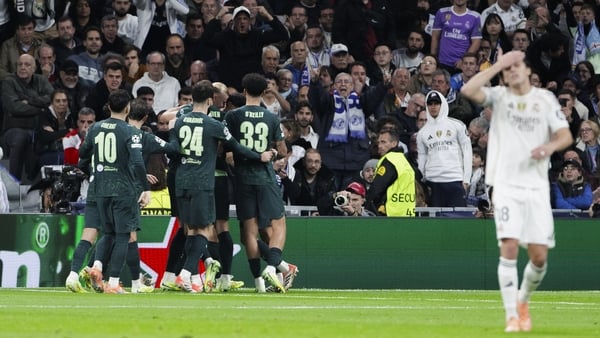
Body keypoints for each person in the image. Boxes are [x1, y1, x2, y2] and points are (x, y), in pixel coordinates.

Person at [460, 50, 573, 332]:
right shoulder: (499, 97)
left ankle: (522, 301)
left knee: (539, 257)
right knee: (508, 246)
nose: (512, 71)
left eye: (516, 66)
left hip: (535, 186)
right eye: (507, 69)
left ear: (526, 70)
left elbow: (565, 135)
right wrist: (498, 63)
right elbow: (468, 89)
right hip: (506, 184)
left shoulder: (544, 100)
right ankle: (511, 315)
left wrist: (548, 147)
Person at [224, 73, 298, 293]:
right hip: (264, 177)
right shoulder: (271, 117)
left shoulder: (233, 116)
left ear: (244, 91)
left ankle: (259, 282)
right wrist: (273, 152)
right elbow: (283, 151)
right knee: (278, 223)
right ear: (265, 92)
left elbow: (226, 151)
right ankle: (275, 265)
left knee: (250, 230)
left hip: (242, 179)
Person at [81, 89, 151, 294]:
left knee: (108, 232)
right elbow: (137, 162)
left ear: (109, 107)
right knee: (123, 236)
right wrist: (145, 188)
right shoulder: (130, 131)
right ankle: (113, 282)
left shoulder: (95, 128)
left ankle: (97, 267)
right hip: (123, 189)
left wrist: (90, 171)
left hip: (100, 189)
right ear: (128, 108)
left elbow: (83, 154)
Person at [2, 54, 54, 181]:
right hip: (13, 129)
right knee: (21, 137)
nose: (23, 67)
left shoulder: (41, 80)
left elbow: (52, 98)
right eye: (20, 64)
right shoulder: (9, 82)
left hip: (37, 129)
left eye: (27, 65)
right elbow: (14, 107)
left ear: (34, 68)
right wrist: (40, 108)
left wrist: (29, 100)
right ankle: (14, 182)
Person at [417, 90, 472, 207]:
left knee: (458, 220)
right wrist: (423, 179)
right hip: (433, 182)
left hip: (455, 179)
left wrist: (466, 179)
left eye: (436, 103)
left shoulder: (457, 125)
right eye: (430, 104)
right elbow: (422, 157)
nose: (433, 107)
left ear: (442, 104)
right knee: (435, 222)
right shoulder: (422, 133)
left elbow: (467, 152)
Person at [366, 129, 416, 217]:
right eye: (379, 143)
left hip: (390, 214)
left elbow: (377, 188)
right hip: (407, 213)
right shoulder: (404, 161)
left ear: (394, 143)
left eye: (383, 142)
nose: (380, 146)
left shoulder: (389, 160)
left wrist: (368, 205)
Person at [430, 0, 481, 75]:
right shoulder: (441, 12)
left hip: (461, 65)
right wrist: (433, 60)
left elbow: (476, 42)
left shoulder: (475, 16)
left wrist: (464, 60)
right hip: (442, 62)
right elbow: (435, 38)